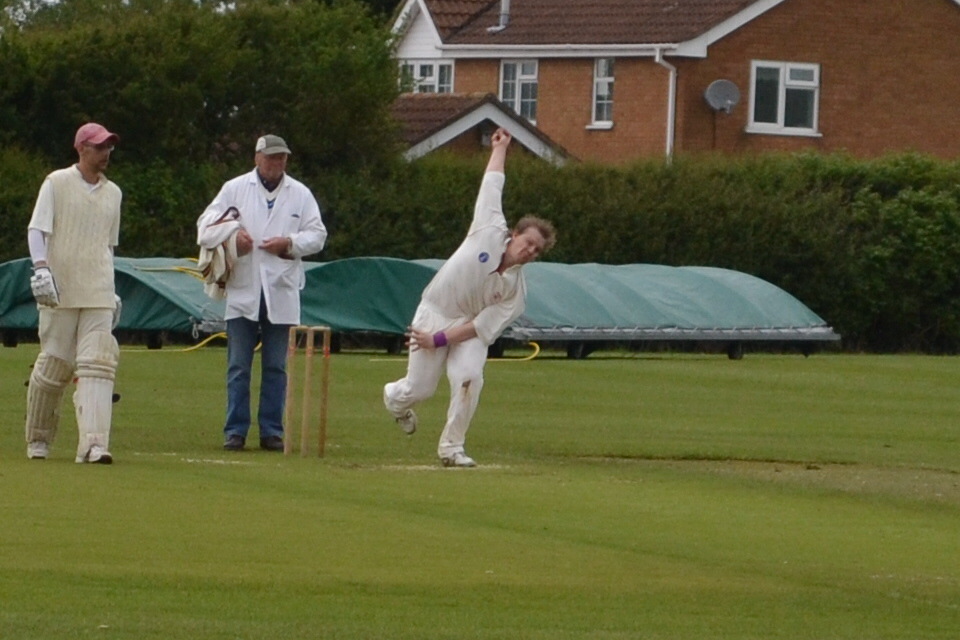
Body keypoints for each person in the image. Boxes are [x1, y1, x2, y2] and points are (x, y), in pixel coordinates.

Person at [383, 128, 556, 467]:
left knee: (469, 377)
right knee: (420, 390)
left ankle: (452, 448)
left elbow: (480, 327)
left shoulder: (515, 293)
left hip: (465, 331)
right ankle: (394, 400)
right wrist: (501, 147)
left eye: (536, 250)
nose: (529, 251)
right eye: (527, 242)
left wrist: (441, 339)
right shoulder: (489, 227)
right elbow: (492, 184)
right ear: (515, 234)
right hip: (434, 310)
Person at [197, 134, 326, 452]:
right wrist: (233, 238)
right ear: (257, 158)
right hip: (244, 288)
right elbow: (205, 228)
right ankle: (235, 431)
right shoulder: (235, 188)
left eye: (281, 157)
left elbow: (318, 235)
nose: (276, 163)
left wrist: (290, 245)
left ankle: (271, 431)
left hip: (281, 290)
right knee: (238, 366)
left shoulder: (300, 193)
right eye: (270, 157)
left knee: (276, 367)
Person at [25, 122, 123, 463]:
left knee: (98, 362)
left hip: (97, 289)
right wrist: (41, 267)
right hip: (61, 289)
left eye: (109, 147)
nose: (105, 153)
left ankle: (94, 445)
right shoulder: (57, 183)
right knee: (55, 365)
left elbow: (107, 247)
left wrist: (111, 291)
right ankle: (38, 439)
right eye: (99, 147)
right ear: (81, 148)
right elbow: (37, 229)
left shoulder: (114, 193)